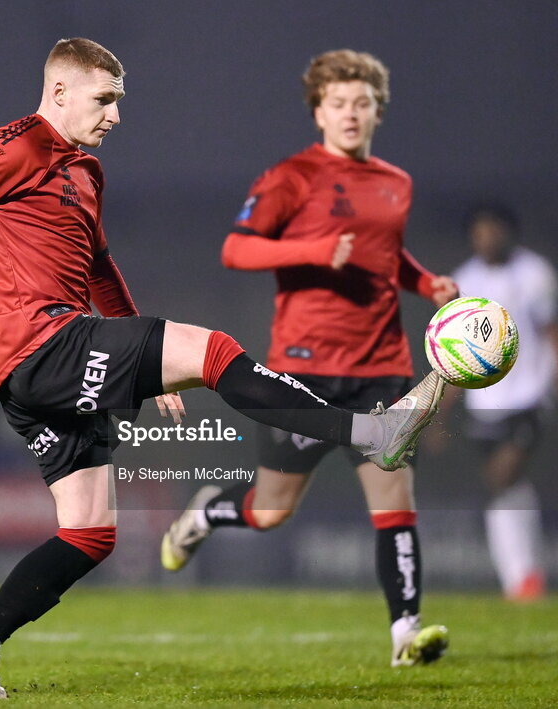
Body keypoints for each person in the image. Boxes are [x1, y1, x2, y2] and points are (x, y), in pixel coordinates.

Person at [0, 38, 445, 699]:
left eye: (119, 101)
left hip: (45, 366)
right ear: (60, 94)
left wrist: (146, 364)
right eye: (104, 100)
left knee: (89, 531)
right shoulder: (12, 145)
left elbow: (100, 269)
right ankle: (370, 433)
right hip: (41, 345)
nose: (115, 115)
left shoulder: (86, 173)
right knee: (217, 349)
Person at [159, 49, 458, 667]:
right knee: (271, 511)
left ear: (378, 111)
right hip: (304, 373)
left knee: (395, 498)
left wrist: (425, 284)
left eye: (362, 104)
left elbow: (385, 254)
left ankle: (407, 634)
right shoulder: (290, 177)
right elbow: (236, 250)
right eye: (339, 103)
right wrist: (316, 249)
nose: (351, 114)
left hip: (381, 369)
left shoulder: (396, 182)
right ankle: (209, 511)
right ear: (318, 110)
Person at [444, 203, 558, 600]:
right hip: (484, 401)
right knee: (505, 487)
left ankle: (523, 578)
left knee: (503, 477)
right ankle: (523, 579)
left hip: (531, 396)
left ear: (509, 232)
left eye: (494, 230)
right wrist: (441, 409)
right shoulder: (464, 280)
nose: (487, 238)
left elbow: (557, 339)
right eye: (479, 231)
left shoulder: (535, 274)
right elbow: (455, 353)